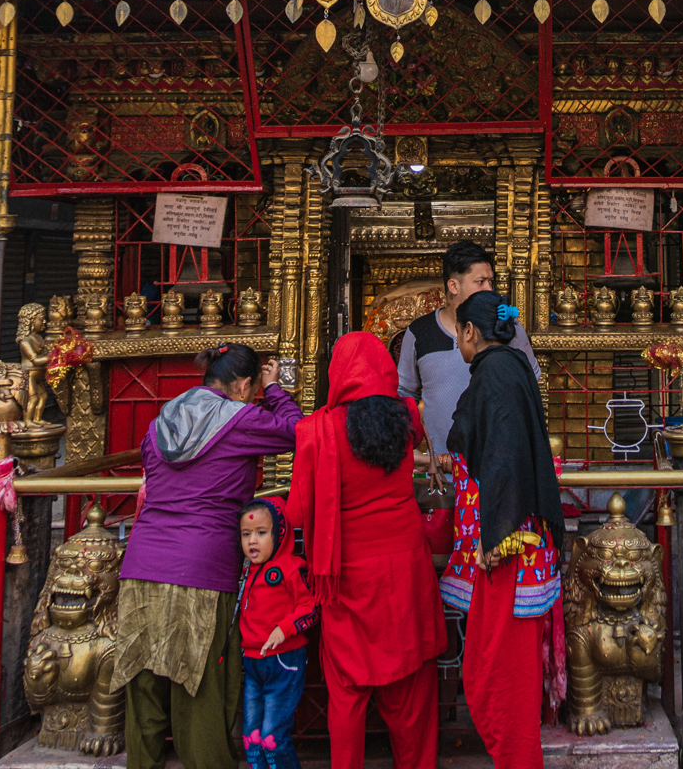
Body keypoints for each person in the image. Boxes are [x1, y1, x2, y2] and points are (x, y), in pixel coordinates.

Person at [114, 344, 303, 769]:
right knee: (196, 681)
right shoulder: (241, 417)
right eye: (253, 387)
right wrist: (274, 392)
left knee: (142, 681)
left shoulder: (162, 419)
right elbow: (297, 432)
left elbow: (151, 470)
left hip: (142, 561)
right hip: (201, 565)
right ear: (242, 385)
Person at [287, 330, 445, 769]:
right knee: (411, 687)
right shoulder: (406, 416)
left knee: (347, 692)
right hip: (405, 569)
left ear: (337, 373)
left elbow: (298, 513)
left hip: (348, 575)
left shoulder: (316, 430)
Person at [443, 292, 565, 769]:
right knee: (496, 672)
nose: (458, 341)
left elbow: (506, 455)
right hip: (511, 539)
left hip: (508, 547)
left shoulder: (495, 374)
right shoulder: (512, 369)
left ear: (471, 332)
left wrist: (497, 535)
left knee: (497, 676)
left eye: (459, 331)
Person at [398, 240, 540, 457]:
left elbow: (531, 384)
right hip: (439, 473)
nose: (489, 290)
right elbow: (404, 394)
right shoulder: (420, 332)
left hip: (496, 468)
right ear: (453, 286)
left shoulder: (507, 327)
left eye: (490, 282)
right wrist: (412, 449)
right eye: (480, 282)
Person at [236, 495, 318, 769]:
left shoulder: (291, 568)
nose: (252, 541)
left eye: (261, 533)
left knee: (272, 737)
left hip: (283, 661)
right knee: (252, 737)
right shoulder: (246, 571)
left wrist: (284, 629)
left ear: (279, 533)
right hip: (252, 662)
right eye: (246, 534)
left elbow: (311, 605)